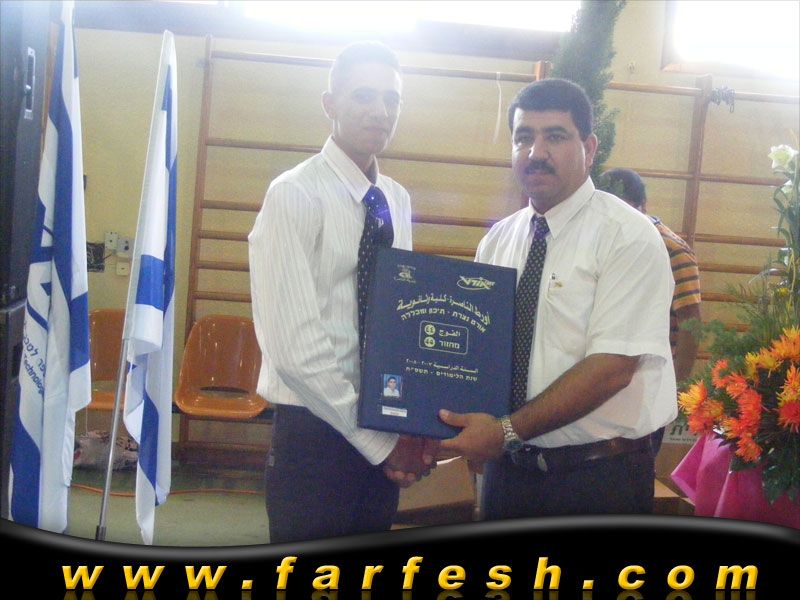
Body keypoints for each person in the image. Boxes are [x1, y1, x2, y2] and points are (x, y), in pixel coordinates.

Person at [439, 78, 678, 519]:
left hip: (598, 480)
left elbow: (612, 369)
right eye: (523, 137)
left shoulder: (628, 236)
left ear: (589, 148)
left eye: (555, 136)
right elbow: (480, 356)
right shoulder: (498, 241)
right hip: (508, 476)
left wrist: (505, 431)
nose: (536, 152)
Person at [248, 41, 437, 543]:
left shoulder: (395, 198)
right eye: (364, 96)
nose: (380, 111)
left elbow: (399, 322)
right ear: (329, 104)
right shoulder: (295, 194)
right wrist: (378, 441)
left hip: (382, 420)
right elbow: (293, 348)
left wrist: (413, 422)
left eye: (392, 100)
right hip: (314, 430)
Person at [600, 168, 702, 385]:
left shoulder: (672, 249)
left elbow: (691, 323)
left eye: (626, 212)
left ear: (643, 205)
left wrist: (677, 385)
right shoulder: (602, 242)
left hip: (651, 375)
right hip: (603, 370)